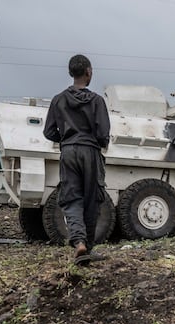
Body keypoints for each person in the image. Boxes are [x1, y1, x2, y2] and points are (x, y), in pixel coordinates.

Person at [43, 54, 110, 266]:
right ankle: (88, 247)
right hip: (90, 151)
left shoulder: (58, 99)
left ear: (71, 73)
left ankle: (79, 243)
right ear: (89, 72)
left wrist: (66, 139)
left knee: (72, 198)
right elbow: (103, 134)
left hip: (69, 151)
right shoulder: (98, 101)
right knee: (92, 200)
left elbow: (48, 132)